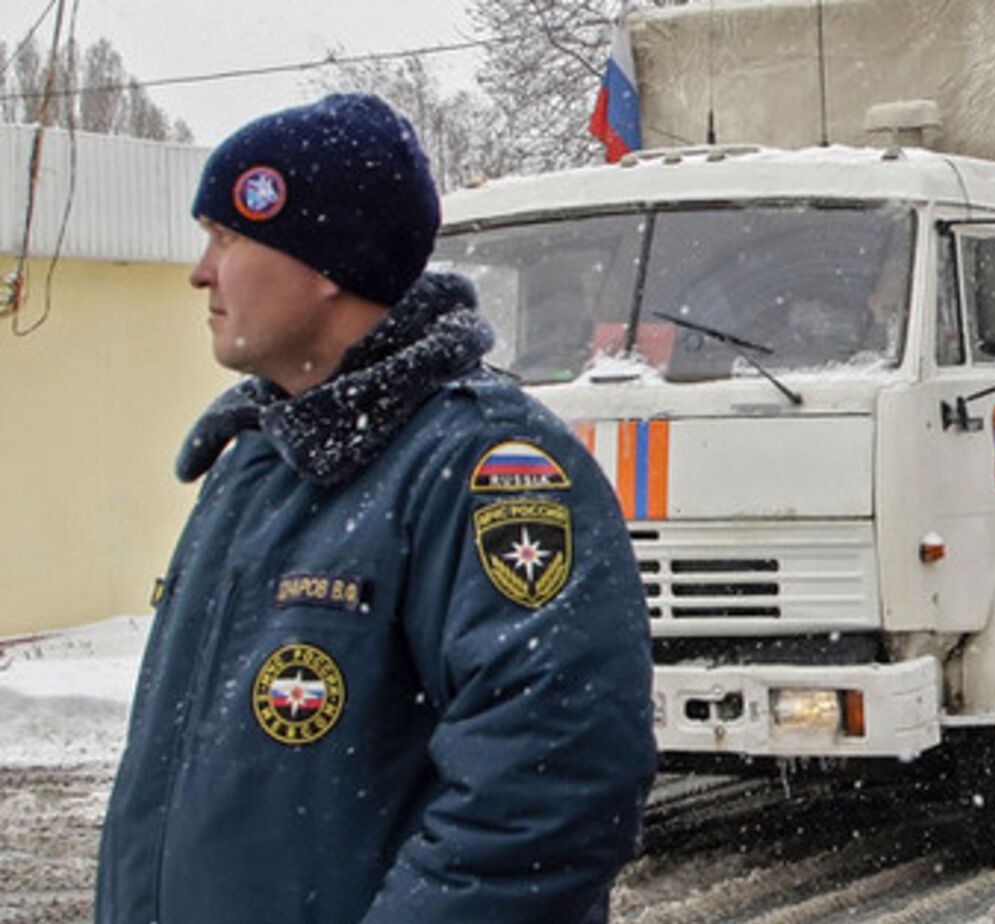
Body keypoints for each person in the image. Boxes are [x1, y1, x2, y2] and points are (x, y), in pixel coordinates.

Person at [94, 94, 656, 923]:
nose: (201, 272)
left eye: (228, 238)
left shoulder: (486, 467)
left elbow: (552, 785)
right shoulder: (254, 462)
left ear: (329, 264)